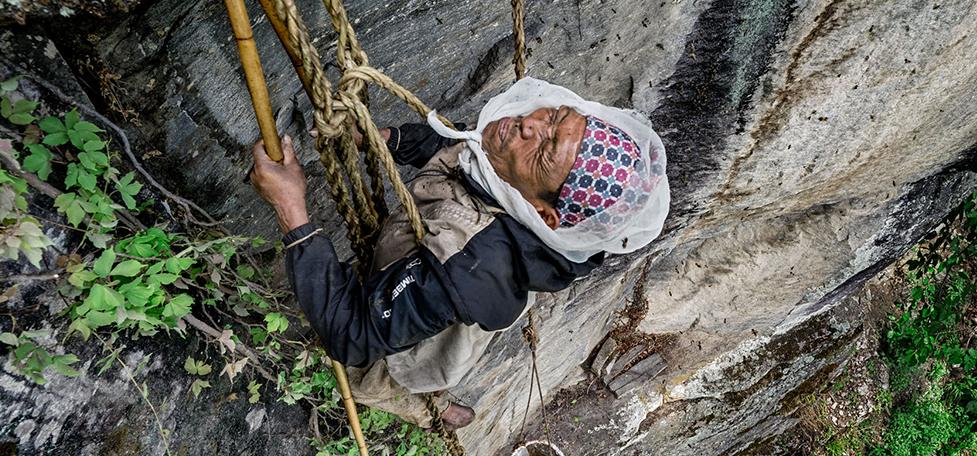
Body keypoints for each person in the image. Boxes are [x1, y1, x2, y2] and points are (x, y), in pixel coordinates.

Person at [250, 78, 669, 429]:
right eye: (555, 117)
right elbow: (459, 147)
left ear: (543, 213)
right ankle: (437, 399)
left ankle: (433, 411)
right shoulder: (509, 165)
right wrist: (385, 141)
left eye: (544, 149)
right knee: (410, 330)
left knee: (375, 377)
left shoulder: (469, 268)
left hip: (438, 301)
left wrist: (292, 211)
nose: (528, 124)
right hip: (431, 283)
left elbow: (352, 334)